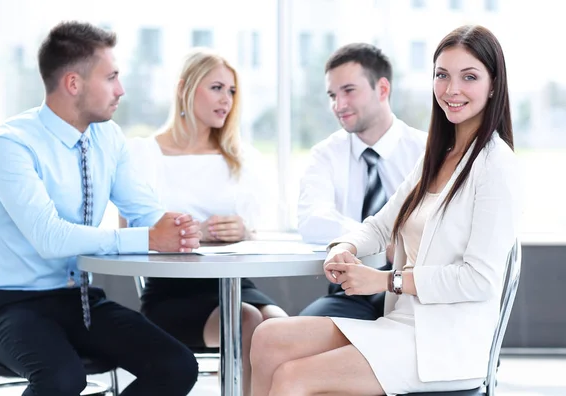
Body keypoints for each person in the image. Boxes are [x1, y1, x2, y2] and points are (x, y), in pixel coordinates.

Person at [250, 25, 520, 396]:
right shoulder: (436, 156)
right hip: (402, 324)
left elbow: (478, 279)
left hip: (444, 345)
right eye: (442, 75)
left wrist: (385, 281)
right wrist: (344, 247)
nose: (451, 89)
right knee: (268, 336)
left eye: (468, 77)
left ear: (493, 85)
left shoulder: (496, 165)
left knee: (293, 378)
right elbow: (379, 226)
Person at [0, 21, 201, 396]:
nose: (121, 90)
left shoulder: (107, 137)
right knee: (62, 379)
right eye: (111, 77)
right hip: (9, 307)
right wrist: (149, 237)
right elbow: (49, 237)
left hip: (80, 301)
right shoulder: (11, 145)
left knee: (176, 365)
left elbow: (145, 212)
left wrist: (176, 228)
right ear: (74, 83)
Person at [123, 48, 287, 396]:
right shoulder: (144, 154)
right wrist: (183, 234)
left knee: (281, 328)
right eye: (216, 87)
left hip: (235, 283)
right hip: (172, 290)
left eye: (231, 91)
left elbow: (258, 225)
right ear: (184, 88)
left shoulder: (239, 157)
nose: (226, 99)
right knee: (245, 322)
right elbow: (127, 232)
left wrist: (243, 229)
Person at [298, 43, 427, 321]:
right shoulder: (326, 154)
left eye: (348, 91)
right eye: (332, 95)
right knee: (279, 339)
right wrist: (373, 240)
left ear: (382, 89)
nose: (338, 105)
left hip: (413, 295)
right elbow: (312, 221)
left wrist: (400, 246)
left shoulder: (426, 151)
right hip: (350, 292)